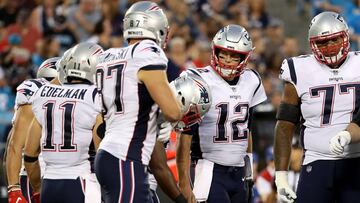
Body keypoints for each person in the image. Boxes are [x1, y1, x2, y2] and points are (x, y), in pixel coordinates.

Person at [93, 1, 200, 202]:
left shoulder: (109, 55)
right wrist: (170, 117)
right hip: (125, 157)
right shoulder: (148, 52)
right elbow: (173, 112)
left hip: (111, 154)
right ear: (155, 27)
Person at [274, 11, 360, 203]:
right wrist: (281, 176)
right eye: (322, 42)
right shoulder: (298, 69)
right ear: (313, 43)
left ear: (345, 37)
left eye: (335, 40)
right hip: (316, 161)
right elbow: (285, 124)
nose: (329, 47)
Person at [177, 24, 267, 203]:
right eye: (223, 53)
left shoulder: (252, 80)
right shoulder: (198, 79)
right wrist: (184, 183)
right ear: (214, 51)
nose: (226, 60)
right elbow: (185, 136)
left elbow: (247, 129)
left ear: (245, 57)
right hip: (210, 169)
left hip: (239, 170)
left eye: (234, 56)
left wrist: (248, 168)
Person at [23, 42, 104, 203]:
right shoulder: (96, 96)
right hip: (85, 183)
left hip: (49, 185)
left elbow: (30, 155)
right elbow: (102, 153)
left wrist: (38, 189)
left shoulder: (43, 94)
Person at [6, 56, 59, 203]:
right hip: (36, 173)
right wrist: (14, 188)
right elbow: (15, 146)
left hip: (64, 174)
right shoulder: (33, 99)